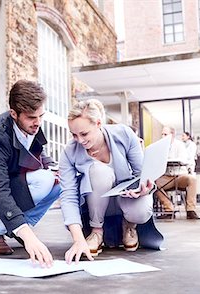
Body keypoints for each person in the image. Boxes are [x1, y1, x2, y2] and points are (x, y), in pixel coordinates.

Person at [0, 80, 60, 267]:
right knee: (43, 181)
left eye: (41, 116)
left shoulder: (31, 125)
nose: (38, 123)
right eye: (32, 117)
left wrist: (54, 167)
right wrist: (26, 233)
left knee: (58, 181)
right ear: (14, 114)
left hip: (12, 179)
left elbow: (39, 155)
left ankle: (15, 229)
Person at [59, 99, 163, 264]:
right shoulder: (70, 152)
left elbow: (142, 174)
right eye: (74, 134)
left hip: (128, 199)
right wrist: (78, 239)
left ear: (98, 123)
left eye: (84, 134)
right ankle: (96, 232)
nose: (79, 140)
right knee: (98, 170)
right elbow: (68, 195)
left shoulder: (124, 134)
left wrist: (144, 189)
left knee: (141, 210)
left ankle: (129, 226)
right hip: (96, 206)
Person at [155, 126, 200, 220]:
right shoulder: (159, 147)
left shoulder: (180, 145)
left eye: (165, 134)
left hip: (180, 175)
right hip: (166, 176)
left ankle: (191, 210)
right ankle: (169, 209)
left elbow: (183, 159)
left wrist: (168, 161)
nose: (163, 136)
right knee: (153, 184)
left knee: (192, 179)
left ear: (172, 135)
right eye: (162, 134)